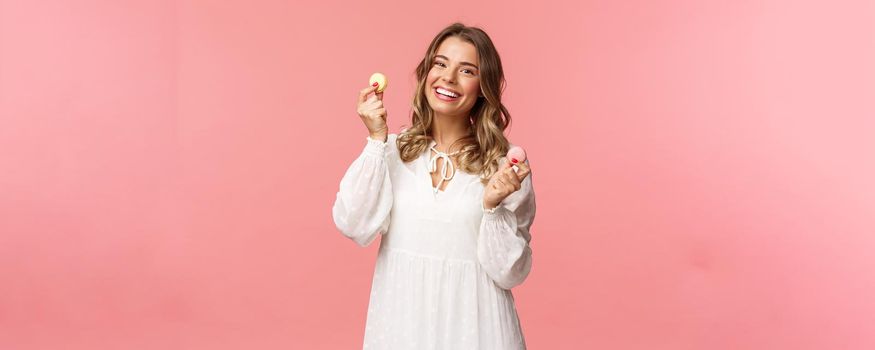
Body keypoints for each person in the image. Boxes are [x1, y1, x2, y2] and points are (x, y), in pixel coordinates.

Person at [332, 22, 536, 349]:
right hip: (402, 327)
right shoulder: (391, 154)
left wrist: (493, 206)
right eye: (440, 64)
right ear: (427, 72)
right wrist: (375, 140)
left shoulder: (503, 169)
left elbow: (510, 273)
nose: (448, 78)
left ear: (483, 87)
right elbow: (353, 223)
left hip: (478, 331)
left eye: (467, 70)